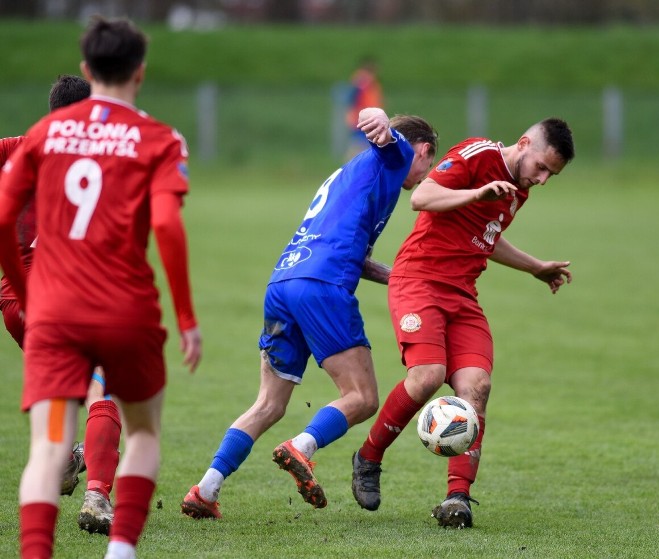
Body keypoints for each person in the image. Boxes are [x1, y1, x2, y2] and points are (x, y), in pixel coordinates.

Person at [0, 16, 202, 559]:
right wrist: (185, 317)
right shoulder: (159, 138)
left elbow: (1, 218)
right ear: (140, 72)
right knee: (139, 429)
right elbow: (166, 226)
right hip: (125, 307)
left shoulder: (39, 137)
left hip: (47, 306)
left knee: (46, 446)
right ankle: (113, 533)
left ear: (88, 68)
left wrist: (24, 289)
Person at [180, 107, 437, 519]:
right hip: (323, 287)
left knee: (269, 403)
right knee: (363, 397)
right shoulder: (397, 155)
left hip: (283, 283)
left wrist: (400, 278)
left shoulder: (352, 175)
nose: (425, 176)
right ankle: (301, 447)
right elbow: (387, 136)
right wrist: (377, 116)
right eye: (429, 166)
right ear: (423, 150)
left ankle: (206, 489)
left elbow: (357, 257)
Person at [351, 118, 575, 528]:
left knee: (478, 386)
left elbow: (486, 236)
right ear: (523, 143)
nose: (541, 180)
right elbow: (422, 195)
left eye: (551, 175)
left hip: (461, 294)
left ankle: (458, 498)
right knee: (428, 376)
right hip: (418, 279)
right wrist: (477, 191)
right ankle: (368, 457)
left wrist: (534, 267)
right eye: (541, 167)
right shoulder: (479, 154)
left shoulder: (517, 192)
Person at [0, 74, 122, 537]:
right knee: (100, 390)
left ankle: (69, 457)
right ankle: (97, 494)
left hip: (18, 305)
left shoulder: (18, 146)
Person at [345, 57, 384, 160]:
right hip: (362, 119)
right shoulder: (362, 82)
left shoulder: (367, 82)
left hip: (366, 118)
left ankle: (354, 163)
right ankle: (352, 164)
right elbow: (353, 100)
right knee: (360, 144)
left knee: (363, 144)